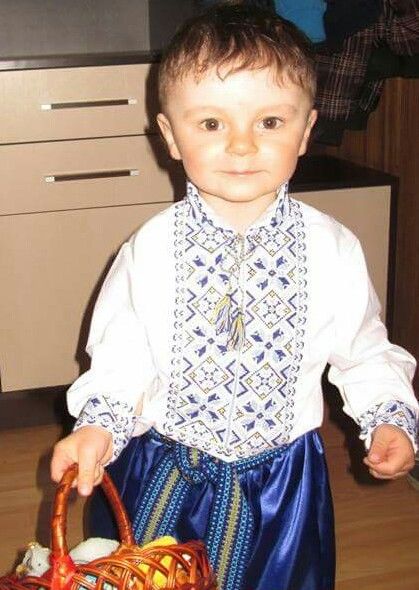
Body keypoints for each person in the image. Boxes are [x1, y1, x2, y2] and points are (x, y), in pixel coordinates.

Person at [50, 4, 418, 590]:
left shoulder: (333, 248)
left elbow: (365, 349)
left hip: (282, 489)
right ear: (170, 136)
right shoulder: (151, 248)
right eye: (211, 124)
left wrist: (387, 416)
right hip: (165, 475)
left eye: (269, 122)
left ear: (306, 131)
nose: (242, 146)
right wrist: (99, 427)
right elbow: (122, 355)